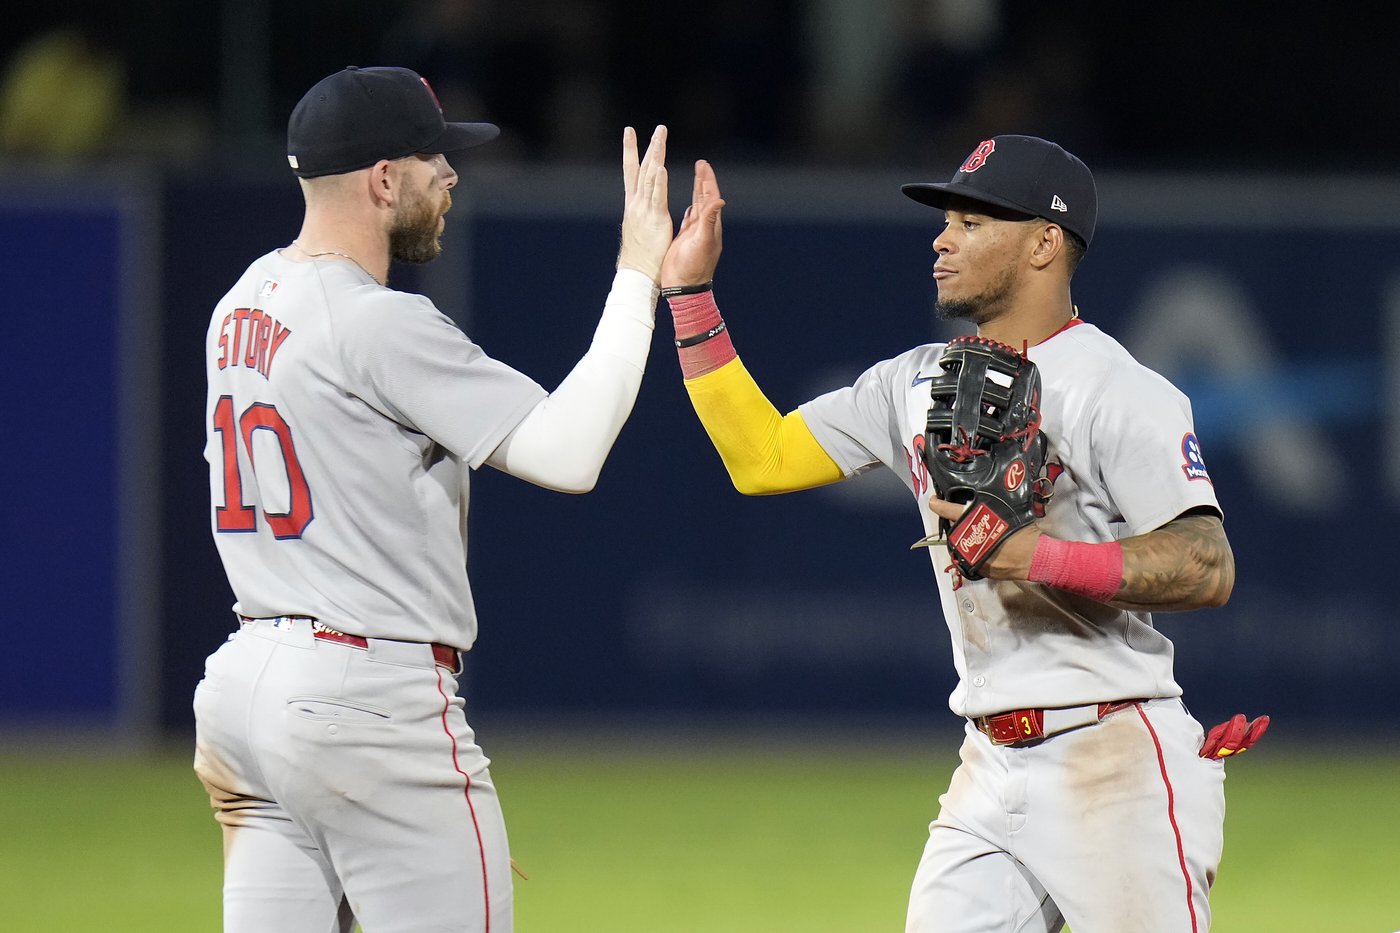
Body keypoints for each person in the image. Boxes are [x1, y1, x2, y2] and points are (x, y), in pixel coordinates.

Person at [659, 136, 1248, 931]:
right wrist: (691, 294)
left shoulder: (1117, 388)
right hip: (988, 761)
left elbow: (1206, 564)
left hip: (1114, 760)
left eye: (972, 222)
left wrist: (1036, 555)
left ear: (1045, 243)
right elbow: (761, 458)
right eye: (947, 221)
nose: (942, 239)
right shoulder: (915, 379)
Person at [193, 65, 671, 933]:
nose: (450, 174)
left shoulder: (241, 303)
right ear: (383, 178)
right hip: (366, 698)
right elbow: (569, 453)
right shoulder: (375, 320)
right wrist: (638, 273)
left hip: (244, 690)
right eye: (433, 157)